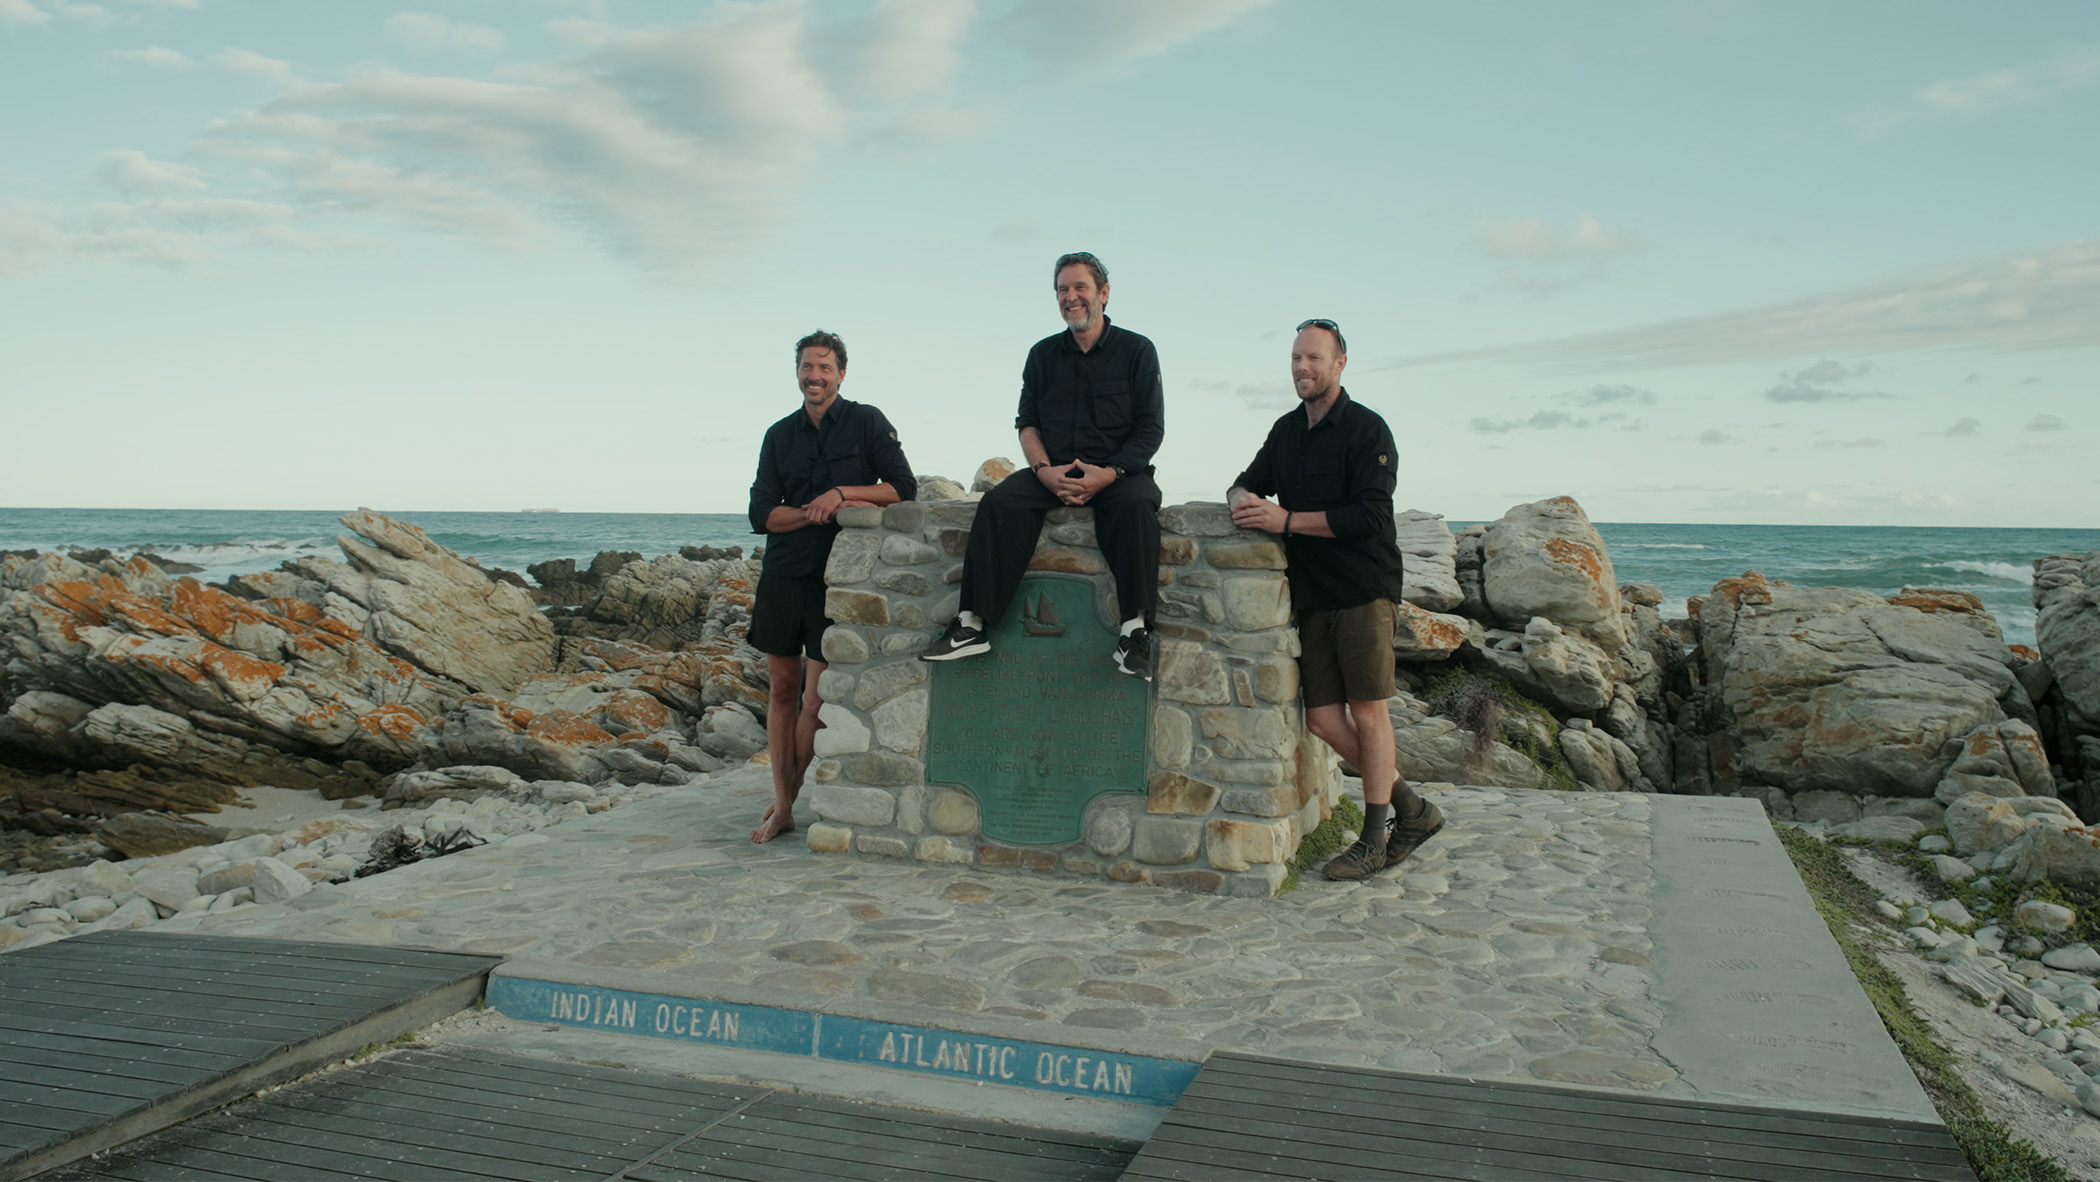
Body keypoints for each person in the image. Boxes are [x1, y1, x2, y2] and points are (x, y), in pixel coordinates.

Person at [1227, 318, 1443, 879]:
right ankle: (1413, 810)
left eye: (1314, 358)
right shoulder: (1285, 432)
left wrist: (1287, 519)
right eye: (1296, 358)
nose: (1303, 368)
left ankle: (1375, 838)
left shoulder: (1368, 431)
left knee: (1368, 714)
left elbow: (1369, 516)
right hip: (1312, 595)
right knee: (1323, 719)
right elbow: (1246, 481)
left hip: (1363, 589)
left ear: (1340, 363)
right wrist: (1241, 502)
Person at [922, 252, 1165, 679]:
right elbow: (1027, 423)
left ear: (1103, 294)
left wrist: (1109, 473)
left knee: (1137, 507)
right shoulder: (1041, 355)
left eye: (1080, 287)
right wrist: (1042, 471)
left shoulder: (1137, 351)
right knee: (998, 504)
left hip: (1117, 472)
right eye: (1062, 290)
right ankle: (971, 626)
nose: (1070, 297)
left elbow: (1150, 429)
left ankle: (1134, 633)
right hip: (1050, 470)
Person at [745, 330, 915, 843]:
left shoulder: (866, 422)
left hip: (836, 580)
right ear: (797, 372)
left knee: (815, 702)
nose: (813, 376)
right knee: (781, 690)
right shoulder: (779, 435)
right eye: (806, 367)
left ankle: (785, 803)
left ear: (841, 373)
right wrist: (815, 511)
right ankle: (782, 803)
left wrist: (841, 492)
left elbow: (901, 488)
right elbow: (760, 514)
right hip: (782, 573)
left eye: (823, 367)